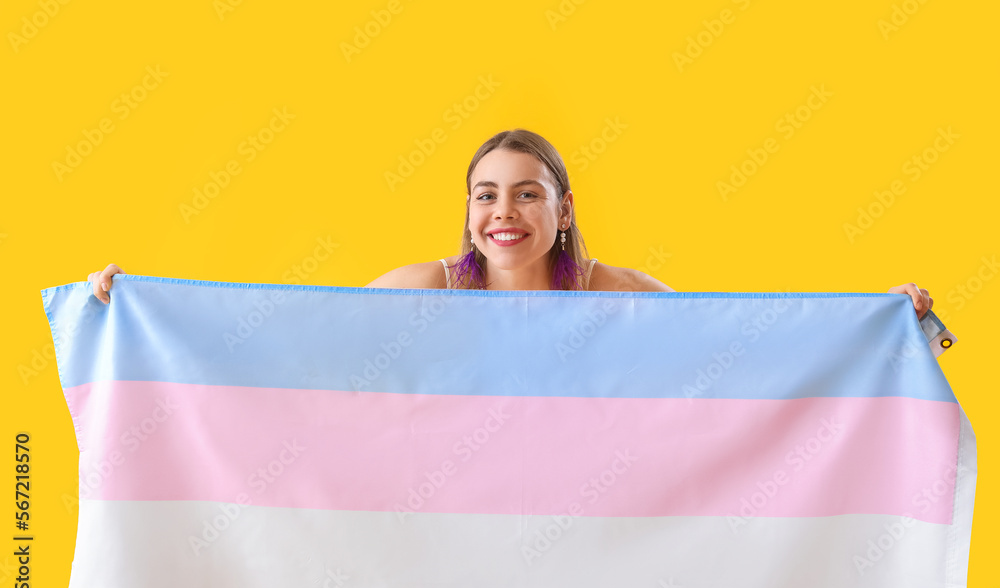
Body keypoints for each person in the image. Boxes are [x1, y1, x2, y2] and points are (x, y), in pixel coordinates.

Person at [87, 128, 933, 316]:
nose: (504, 211)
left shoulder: (618, 293)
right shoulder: (426, 288)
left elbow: (742, 346)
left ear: (563, 211)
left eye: (528, 192)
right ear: (467, 211)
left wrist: (884, 323)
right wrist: (134, 307)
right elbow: (294, 331)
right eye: (486, 194)